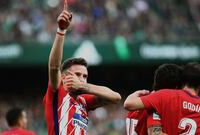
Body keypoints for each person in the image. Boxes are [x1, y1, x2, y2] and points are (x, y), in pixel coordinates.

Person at [43, 4, 121, 135]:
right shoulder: (57, 91)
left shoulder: (84, 100)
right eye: (78, 74)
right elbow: (54, 66)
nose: (82, 79)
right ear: (64, 77)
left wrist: (84, 87)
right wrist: (61, 31)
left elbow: (116, 98)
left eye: (85, 76)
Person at [124, 62, 200, 134]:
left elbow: (128, 104)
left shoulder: (139, 102)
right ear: (176, 87)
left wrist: (133, 94)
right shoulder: (160, 104)